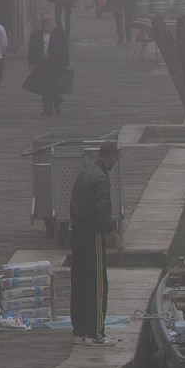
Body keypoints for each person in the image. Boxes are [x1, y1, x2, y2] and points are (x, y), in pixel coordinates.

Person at [68, 141, 119, 343]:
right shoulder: (101, 178)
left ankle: (80, 331)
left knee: (79, 283)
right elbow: (102, 210)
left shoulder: (85, 173)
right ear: (112, 155)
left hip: (77, 233)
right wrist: (113, 234)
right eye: (116, 157)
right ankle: (96, 332)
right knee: (97, 285)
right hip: (92, 235)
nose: (116, 161)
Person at [23, 16, 67, 115]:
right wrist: (31, 63)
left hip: (56, 64)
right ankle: (47, 108)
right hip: (42, 64)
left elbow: (64, 49)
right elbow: (31, 50)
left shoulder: (58, 33)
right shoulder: (36, 35)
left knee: (54, 86)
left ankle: (57, 104)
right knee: (44, 87)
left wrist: (65, 63)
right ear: (41, 23)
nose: (47, 23)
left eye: (49, 20)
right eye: (44, 21)